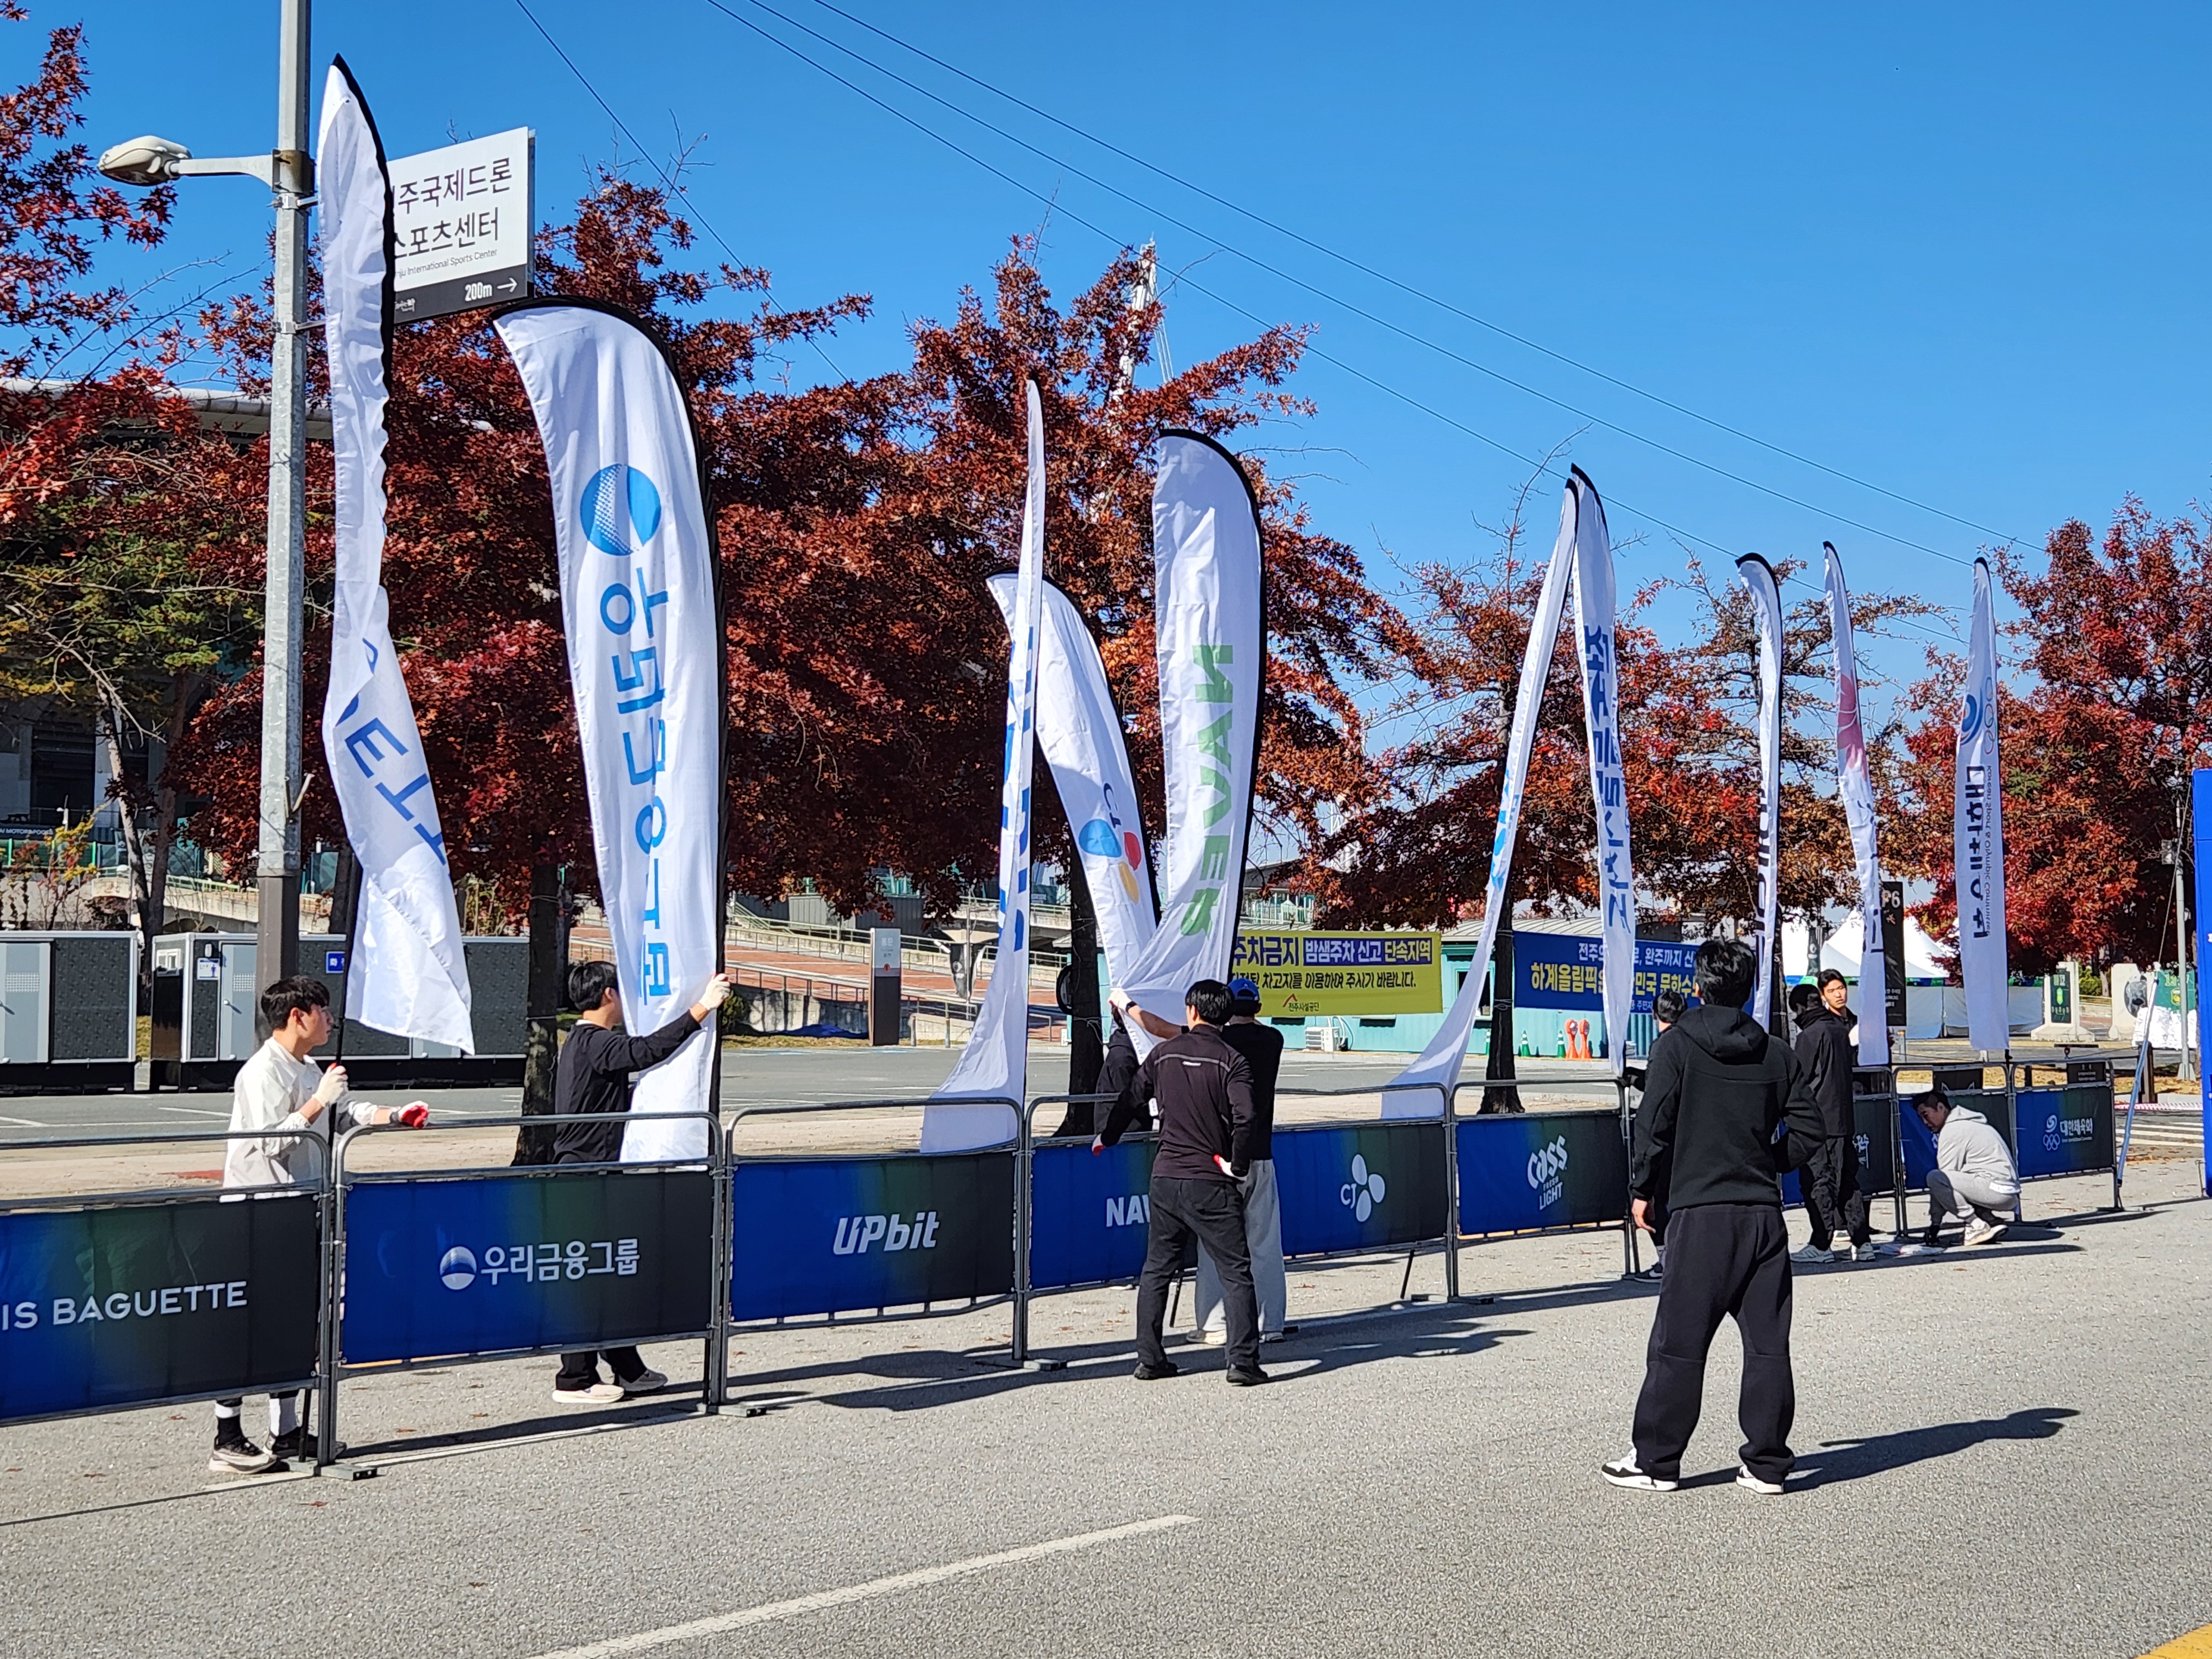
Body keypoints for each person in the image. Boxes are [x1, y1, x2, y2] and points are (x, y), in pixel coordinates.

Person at [1604, 937, 1824, 1496]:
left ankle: (1656, 1460)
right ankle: (1767, 1463)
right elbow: (1809, 1132)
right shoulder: (1778, 1053)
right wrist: (1765, 1162)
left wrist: (1641, 1190)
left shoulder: (1675, 1047)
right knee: (1767, 1345)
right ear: (1750, 990)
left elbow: (1653, 1128)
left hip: (1699, 1213)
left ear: (1699, 988)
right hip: (1761, 1216)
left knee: (1678, 1343)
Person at [212, 975, 430, 1475]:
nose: (330, 1020)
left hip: (302, 1208)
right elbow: (270, 1141)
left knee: (295, 1322)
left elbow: (345, 1111)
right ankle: (226, 1434)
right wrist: (318, 1101)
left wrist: (395, 1115)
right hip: (258, 1211)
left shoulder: (307, 1065)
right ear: (298, 1016)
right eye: (323, 1011)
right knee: (250, 1325)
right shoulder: (262, 1072)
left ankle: (286, 1430)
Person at [551, 959, 734, 1405]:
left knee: (611, 1271)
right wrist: (701, 1009)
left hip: (595, 1171)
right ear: (609, 996)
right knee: (590, 1274)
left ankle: (627, 1367)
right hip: (585, 1175)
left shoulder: (580, 1041)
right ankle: (574, 1378)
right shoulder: (596, 1042)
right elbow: (647, 1051)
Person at [1097, 978, 1266, 1386]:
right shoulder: (1232, 1060)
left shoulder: (1163, 1054)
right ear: (1225, 1016)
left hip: (1167, 1176)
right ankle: (1242, 1362)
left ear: (1191, 1011)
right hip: (1211, 1178)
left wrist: (1108, 1136)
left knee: (1157, 1270)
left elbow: (1131, 1098)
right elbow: (1246, 1116)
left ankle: (1150, 1359)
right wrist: (1238, 1165)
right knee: (1236, 1270)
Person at [1193, 977, 1288, 1344]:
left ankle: (1216, 1324)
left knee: (1215, 1241)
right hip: (1261, 1152)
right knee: (1264, 1242)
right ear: (1259, 1009)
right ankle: (1271, 1322)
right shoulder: (1273, 1040)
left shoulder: (1218, 1042)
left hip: (1221, 1154)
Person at [1789, 974, 1881, 1265]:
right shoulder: (1840, 1030)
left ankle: (1821, 1243)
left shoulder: (1810, 1035)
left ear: (1801, 1008)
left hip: (1817, 1120)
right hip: (1843, 1117)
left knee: (1818, 1182)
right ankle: (1862, 1241)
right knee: (1847, 1180)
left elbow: (1798, 1079)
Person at [1903, 1084, 2019, 1250]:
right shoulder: (1970, 1122)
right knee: (1962, 1179)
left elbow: (1943, 1181)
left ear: (1941, 1108)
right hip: (2007, 1193)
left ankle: (1976, 1225)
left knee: (1935, 1177)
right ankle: (1991, 1222)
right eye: (1921, 1118)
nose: (1925, 1123)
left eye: (1926, 1115)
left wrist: (1935, 1224)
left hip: (1994, 1190)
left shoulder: (1953, 1130)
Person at [1625, 987, 1690, 1281]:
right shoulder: (1693, 1042)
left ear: (1655, 1015)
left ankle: (1667, 1260)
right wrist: (1637, 1078)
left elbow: (1658, 1095)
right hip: (1691, 1136)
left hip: (1666, 1137)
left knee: (1657, 1200)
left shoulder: (1664, 1045)